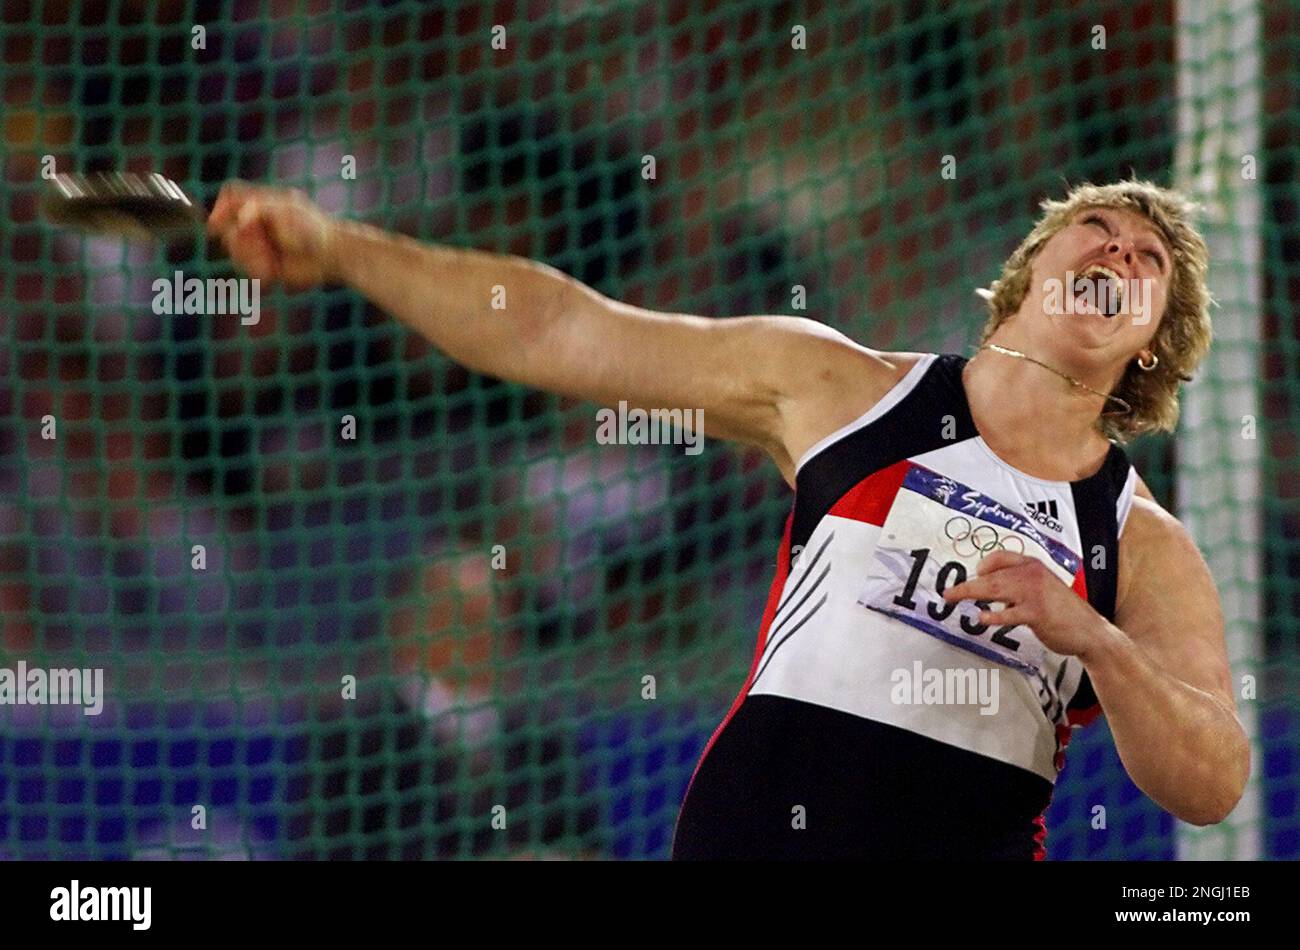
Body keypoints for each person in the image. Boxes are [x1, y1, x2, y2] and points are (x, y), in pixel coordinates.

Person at [206, 178, 1250, 859]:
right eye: (1097, 233)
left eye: (1147, 264)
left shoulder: (1140, 537)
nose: (1118, 255)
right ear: (1026, 274)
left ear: (1152, 346)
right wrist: (342, 248)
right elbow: (566, 329)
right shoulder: (843, 388)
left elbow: (1211, 776)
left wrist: (1087, 635)